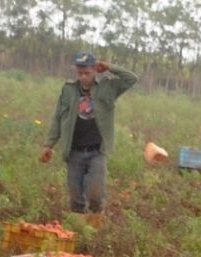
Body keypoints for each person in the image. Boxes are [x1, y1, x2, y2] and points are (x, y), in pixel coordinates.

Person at [40, 52, 137, 224]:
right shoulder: (68, 90)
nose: (84, 77)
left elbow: (131, 78)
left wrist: (109, 67)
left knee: (94, 193)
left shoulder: (108, 87)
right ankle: (79, 233)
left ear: (95, 70)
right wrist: (49, 145)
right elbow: (58, 117)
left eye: (87, 73)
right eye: (80, 73)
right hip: (74, 151)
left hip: (97, 151)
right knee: (75, 196)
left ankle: (94, 228)